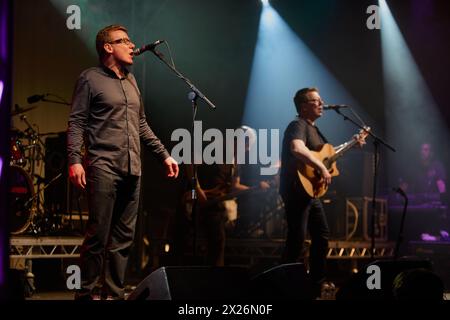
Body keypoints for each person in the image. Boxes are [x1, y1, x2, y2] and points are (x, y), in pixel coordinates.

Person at [67, 24, 179, 300]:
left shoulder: (131, 80)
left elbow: (141, 125)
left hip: (133, 167)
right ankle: (86, 293)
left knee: (124, 238)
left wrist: (164, 154)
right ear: (108, 47)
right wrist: (74, 160)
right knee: (98, 235)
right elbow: (77, 122)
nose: (132, 46)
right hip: (104, 164)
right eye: (124, 41)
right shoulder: (90, 78)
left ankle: (114, 294)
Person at [279, 87, 332, 295]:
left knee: (322, 235)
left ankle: (316, 283)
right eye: (316, 100)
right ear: (303, 106)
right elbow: (297, 149)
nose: (321, 103)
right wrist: (320, 167)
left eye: (320, 100)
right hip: (296, 189)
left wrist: (353, 144)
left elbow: (325, 156)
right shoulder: (297, 124)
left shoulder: (315, 130)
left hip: (312, 191)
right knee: (297, 239)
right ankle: (284, 283)